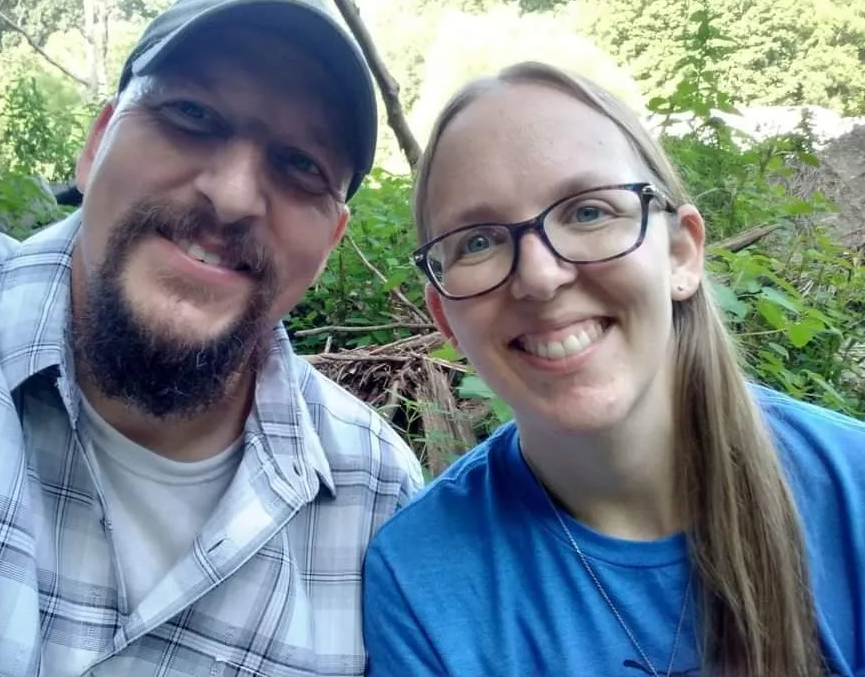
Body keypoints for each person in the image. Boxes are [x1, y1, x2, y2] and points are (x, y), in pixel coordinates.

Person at [0, 0, 423, 677]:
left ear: (331, 240)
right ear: (96, 144)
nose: (232, 196)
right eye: (192, 114)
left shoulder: (378, 498)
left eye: (301, 164)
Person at [361, 61, 865, 677]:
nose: (540, 277)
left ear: (681, 253)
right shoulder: (421, 582)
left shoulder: (852, 491)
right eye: (478, 241)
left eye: (588, 212)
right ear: (444, 316)